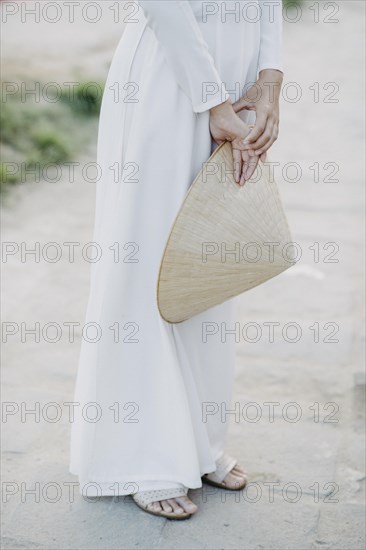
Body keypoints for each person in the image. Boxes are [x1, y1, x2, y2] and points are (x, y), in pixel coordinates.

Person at [69, 0, 284, 520]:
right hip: (167, 82)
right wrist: (212, 101)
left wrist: (270, 79)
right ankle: (141, 455)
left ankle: (198, 442)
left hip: (240, 77)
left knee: (207, 260)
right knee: (147, 263)